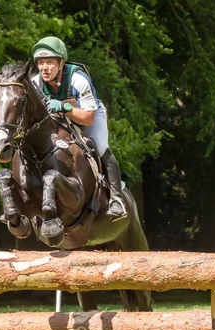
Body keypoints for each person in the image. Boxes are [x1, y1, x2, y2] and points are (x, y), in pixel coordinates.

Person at [30, 36, 127, 221]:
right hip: (57, 119)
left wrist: (64, 107)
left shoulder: (78, 79)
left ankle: (116, 198)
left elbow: (88, 118)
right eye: (40, 63)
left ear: (61, 62)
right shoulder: (35, 83)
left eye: (49, 62)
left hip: (88, 115)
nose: (44, 68)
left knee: (98, 145)